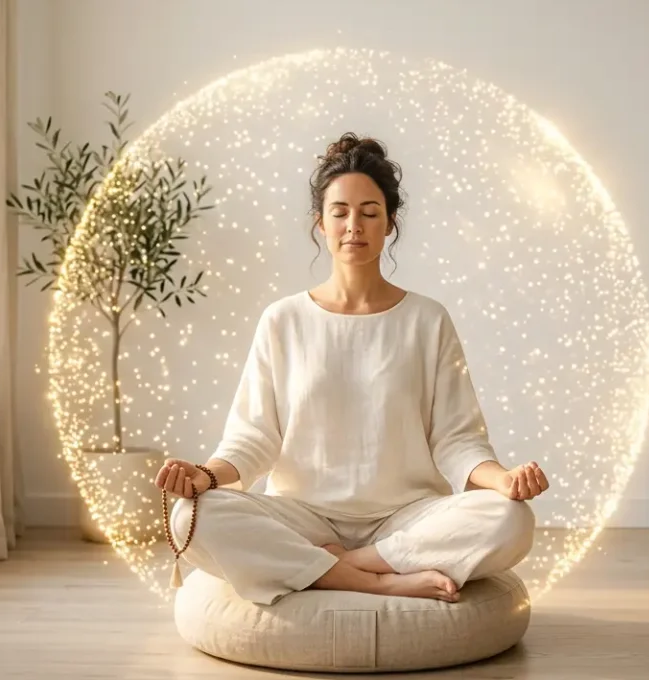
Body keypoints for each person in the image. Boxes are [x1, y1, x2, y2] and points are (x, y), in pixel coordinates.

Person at [155, 132, 549, 606]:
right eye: (339, 212)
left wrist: (504, 481)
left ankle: (343, 564)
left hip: (407, 518)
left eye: (369, 213)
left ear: (390, 224)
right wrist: (204, 477)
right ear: (320, 223)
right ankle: (377, 580)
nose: (353, 226)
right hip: (301, 517)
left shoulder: (427, 319)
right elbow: (253, 439)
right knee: (189, 516)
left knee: (512, 519)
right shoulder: (283, 320)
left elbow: (457, 439)